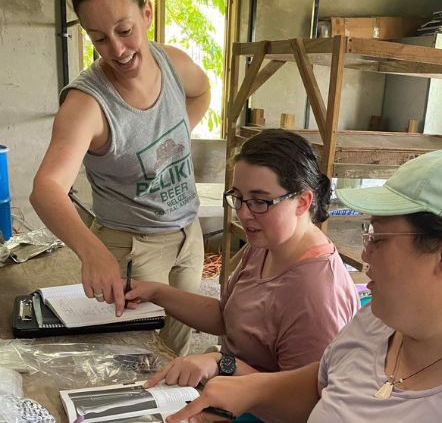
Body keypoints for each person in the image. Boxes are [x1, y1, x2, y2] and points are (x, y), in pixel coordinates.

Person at [166, 147, 442, 422]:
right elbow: (321, 387)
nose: (365, 255)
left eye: (377, 239)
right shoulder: (376, 324)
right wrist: (243, 388)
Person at [30, 0, 211, 354]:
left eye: (124, 30)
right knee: (136, 354)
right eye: (99, 38)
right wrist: (91, 251)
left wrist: (168, 143)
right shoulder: (87, 104)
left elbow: (202, 90)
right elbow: (46, 189)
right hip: (132, 246)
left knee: (178, 342)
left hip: (187, 233)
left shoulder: (173, 63)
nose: (117, 50)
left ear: (147, 14)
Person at [125, 130, 359, 387]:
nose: (244, 214)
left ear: (302, 202)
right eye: (238, 198)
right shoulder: (267, 242)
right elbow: (226, 317)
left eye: (260, 201)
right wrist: (156, 292)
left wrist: (224, 364)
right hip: (233, 392)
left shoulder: (316, 292)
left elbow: (306, 397)